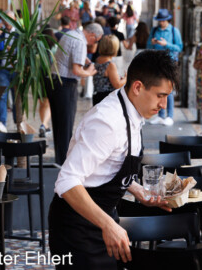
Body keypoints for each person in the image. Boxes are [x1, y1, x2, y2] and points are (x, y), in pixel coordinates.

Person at [48, 50, 178, 270]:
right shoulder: (107, 122)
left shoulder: (131, 110)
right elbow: (67, 182)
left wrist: (136, 190)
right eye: (160, 95)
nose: (164, 104)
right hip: (77, 230)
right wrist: (108, 224)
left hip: (103, 221)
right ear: (137, 87)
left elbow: (110, 164)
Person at [45, 22, 104, 165]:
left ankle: (60, 159)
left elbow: (69, 55)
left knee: (59, 124)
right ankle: (64, 162)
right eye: (96, 40)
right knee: (65, 125)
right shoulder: (80, 42)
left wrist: (84, 59)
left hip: (54, 81)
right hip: (65, 84)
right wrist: (89, 72)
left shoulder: (71, 34)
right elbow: (77, 70)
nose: (94, 43)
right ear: (92, 35)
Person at [146, 8, 183, 126]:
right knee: (158, 89)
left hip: (170, 64)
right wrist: (152, 43)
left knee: (169, 90)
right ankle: (161, 115)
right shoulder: (154, 30)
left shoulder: (173, 31)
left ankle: (169, 116)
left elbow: (179, 47)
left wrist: (166, 44)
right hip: (156, 63)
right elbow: (147, 45)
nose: (161, 22)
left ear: (167, 20)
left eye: (163, 20)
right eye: (159, 20)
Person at [92, 35, 126, 106]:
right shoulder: (110, 65)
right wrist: (126, 78)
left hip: (97, 96)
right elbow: (117, 85)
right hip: (107, 98)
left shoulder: (97, 60)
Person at [39, 27, 58, 138]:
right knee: (49, 103)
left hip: (39, 78)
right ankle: (43, 125)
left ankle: (44, 125)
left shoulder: (37, 48)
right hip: (50, 78)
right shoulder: (55, 47)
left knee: (42, 103)